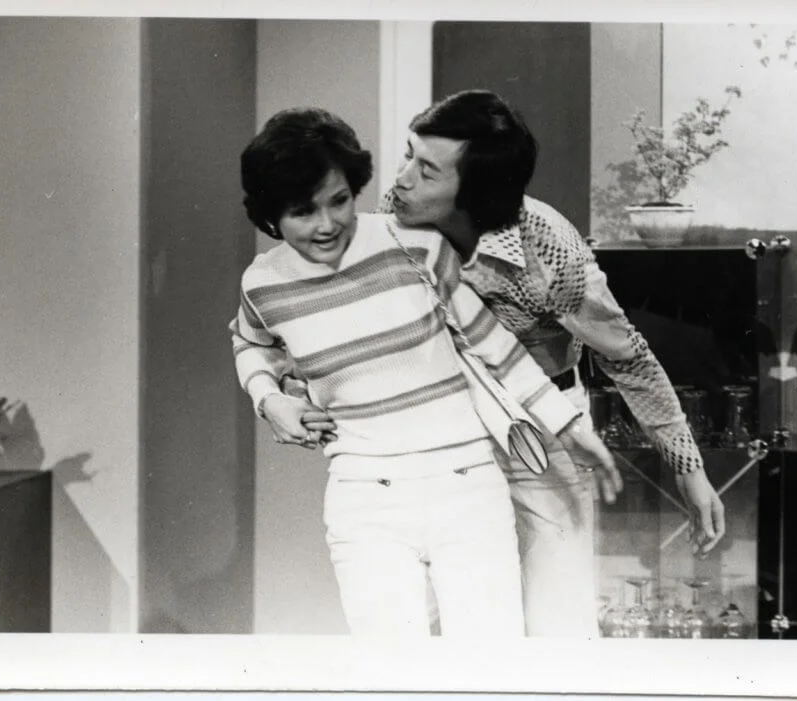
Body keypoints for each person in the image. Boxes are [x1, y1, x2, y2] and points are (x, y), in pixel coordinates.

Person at [230, 107, 614, 637]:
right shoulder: (263, 283)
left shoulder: (415, 245)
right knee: (391, 669)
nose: (327, 224)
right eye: (302, 211)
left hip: (467, 487)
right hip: (363, 498)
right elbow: (249, 343)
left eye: (339, 200)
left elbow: (495, 348)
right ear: (271, 215)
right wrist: (269, 399)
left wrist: (568, 428)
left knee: (491, 663)